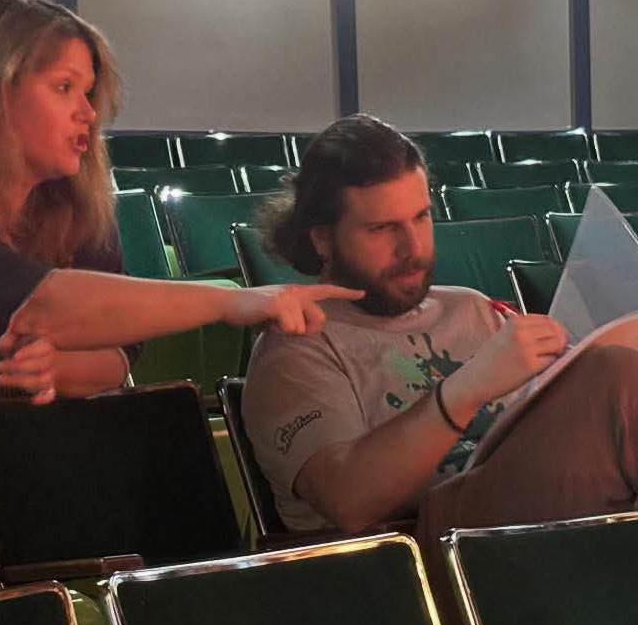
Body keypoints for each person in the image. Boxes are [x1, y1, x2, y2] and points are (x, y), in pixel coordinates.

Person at [0, 0, 360, 412]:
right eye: (64, 87)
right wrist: (231, 302)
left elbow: (117, 359)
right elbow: (44, 305)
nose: (88, 112)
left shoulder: (72, 211)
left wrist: (55, 369)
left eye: (88, 93)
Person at [243, 113, 638, 546]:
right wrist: (468, 387)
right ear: (322, 239)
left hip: (544, 515)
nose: (412, 248)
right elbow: (348, 501)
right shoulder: (296, 348)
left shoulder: (471, 307)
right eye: (382, 228)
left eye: (421, 217)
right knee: (620, 374)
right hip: (427, 541)